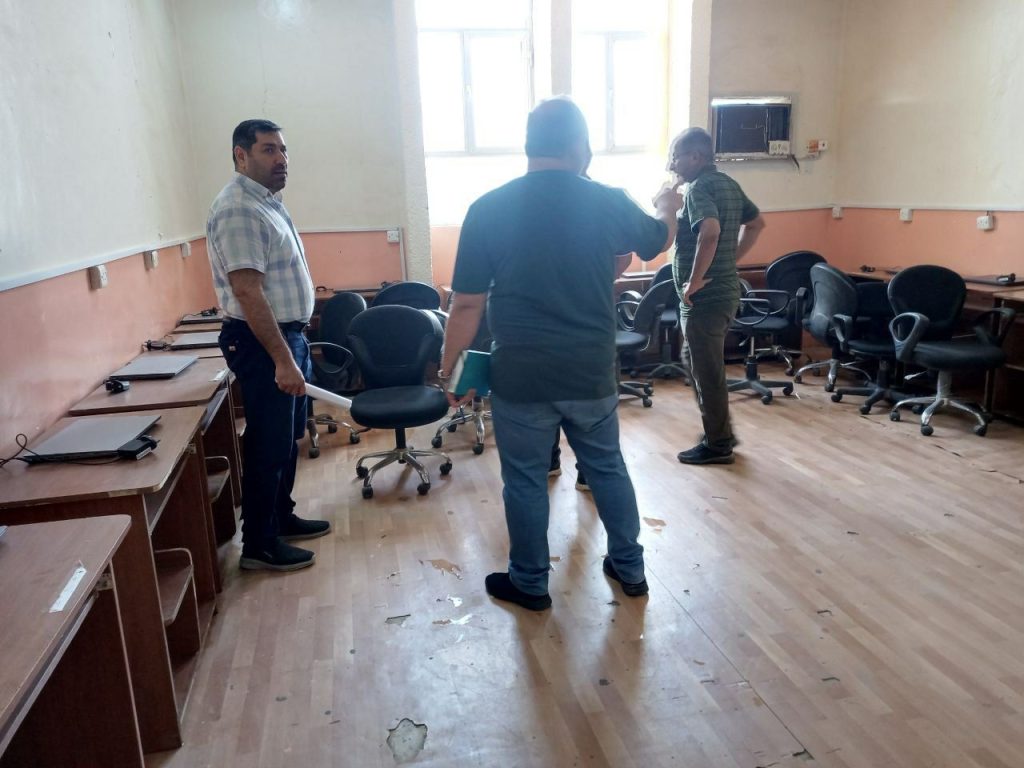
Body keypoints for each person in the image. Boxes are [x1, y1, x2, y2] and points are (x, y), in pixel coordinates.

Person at [440, 97, 682, 611]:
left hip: (521, 375)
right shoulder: (605, 200)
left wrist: (450, 372)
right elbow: (657, 240)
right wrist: (668, 204)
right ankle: (630, 567)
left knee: (525, 480)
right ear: (581, 147)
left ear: (529, 145)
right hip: (590, 371)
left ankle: (530, 583)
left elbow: (466, 304)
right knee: (608, 469)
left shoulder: (488, 207)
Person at [207, 119, 330, 572]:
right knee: (269, 443)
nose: (281, 159)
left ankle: (281, 518)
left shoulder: (267, 203)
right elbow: (247, 291)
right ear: (241, 155)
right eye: (268, 150)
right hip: (263, 343)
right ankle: (259, 544)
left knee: (287, 438)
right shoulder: (238, 208)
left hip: (286, 337)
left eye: (283, 149)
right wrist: (282, 359)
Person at [665, 127, 765, 465]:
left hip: (706, 299)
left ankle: (719, 443)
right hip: (723, 293)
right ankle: (721, 432)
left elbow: (710, 231)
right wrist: (730, 260)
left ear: (695, 157)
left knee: (706, 371)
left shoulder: (698, 188)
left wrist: (693, 281)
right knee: (694, 360)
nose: (672, 164)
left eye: (676, 157)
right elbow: (757, 224)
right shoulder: (728, 184)